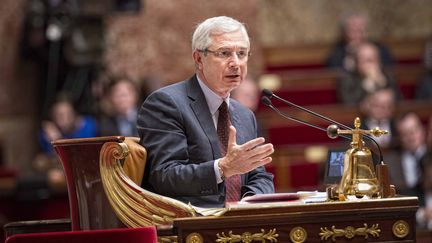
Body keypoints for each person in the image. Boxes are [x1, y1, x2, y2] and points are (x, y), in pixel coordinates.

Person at [137, 16, 275, 208]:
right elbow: (165, 175)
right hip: (191, 224)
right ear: (199, 58)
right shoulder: (167, 104)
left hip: (241, 222)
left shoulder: (245, 115)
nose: (236, 62)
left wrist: (248, 203)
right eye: (224, 53)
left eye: (242, 53)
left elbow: (259, 175)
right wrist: (223, 168)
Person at [325, 12, 394, 72]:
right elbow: (333, 76)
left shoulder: (380, 50)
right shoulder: (336, 54)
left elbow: (390, 72)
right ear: (344, 33)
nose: (356, 35)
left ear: (366, 32)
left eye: (360, 31)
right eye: (352, 31)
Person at [336, 41, 402, 105]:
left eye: (374, 59)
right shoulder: (347, 79)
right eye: (367, 60)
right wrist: (366, 85)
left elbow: (399, 102)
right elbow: (349, 104)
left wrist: (382, 84)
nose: (371, 64)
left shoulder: (388, 77)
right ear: (357, 63)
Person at [384, 112, 429, 203]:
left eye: (414, 131)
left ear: (423, 130)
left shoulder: (430, 154)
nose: (411, 137)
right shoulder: (390, 161)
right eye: (405, 134)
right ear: (399, 138)